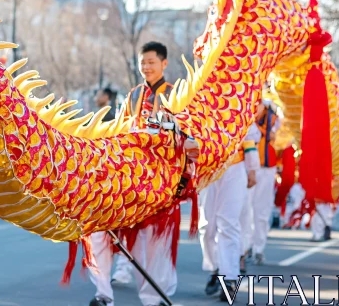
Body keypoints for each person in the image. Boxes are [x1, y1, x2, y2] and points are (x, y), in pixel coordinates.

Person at [89, 42, 195, 306]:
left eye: (151, 62)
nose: (146, 67)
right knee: (96, 229)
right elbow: (119, 132)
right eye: (143, 62)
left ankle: (154, 298)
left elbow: (188, 135)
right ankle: (103, 295)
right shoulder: (133, 95)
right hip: (129, 178)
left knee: (154, 243)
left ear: (164, 63)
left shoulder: (176, 95)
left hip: (162, 182)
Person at [200, 98, 260, 301]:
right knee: (207, 226)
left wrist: (252, 169)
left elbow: (250, 138)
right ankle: (215, 268)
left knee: (228, 223)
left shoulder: (239, 99)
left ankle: (229, 278)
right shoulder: (201, 98)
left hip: (234, 168)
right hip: (207, 170)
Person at [250, 99, 280, 264]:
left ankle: (258, 248)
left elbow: (281, 136)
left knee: (262, 209)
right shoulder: (242, 106)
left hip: (266, 167)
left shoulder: (274, 113)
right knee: (244, 210)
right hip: (246, 166)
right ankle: (244, 247)